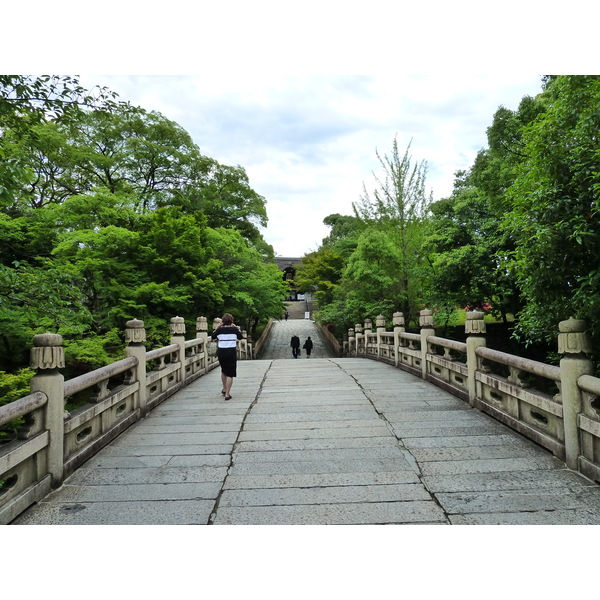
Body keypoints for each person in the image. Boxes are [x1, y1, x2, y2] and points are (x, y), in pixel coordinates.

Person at [211, 313, 243, 400]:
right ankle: (227, 394)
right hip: (231, 352)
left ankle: (224, 389)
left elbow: (213, 336)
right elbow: (240, 337)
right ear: (231, 321)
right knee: (230, 373)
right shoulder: (234, 329)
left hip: (221, 352)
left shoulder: (220, 330)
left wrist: (217, 327)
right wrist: (236, 328)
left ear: (223, 321)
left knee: (224, 370)